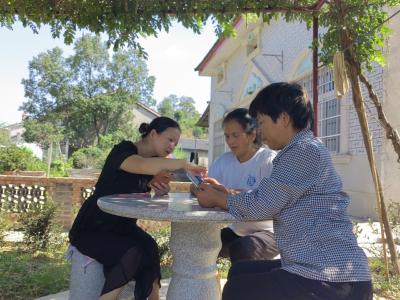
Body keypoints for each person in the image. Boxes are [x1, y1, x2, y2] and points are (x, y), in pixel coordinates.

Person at [196, 82, 372, 300]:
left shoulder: (303, 151)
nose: (259, 131)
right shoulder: (299, 150)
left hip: (330, 277)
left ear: (284, 118)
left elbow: (261, 206)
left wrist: (218, 198)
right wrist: (224, 195)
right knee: (239, 272)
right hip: (316, 267)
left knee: (236, 290)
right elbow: (268, 197)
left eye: (261, 122)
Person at [69, 116, 206, 300]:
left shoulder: (156, 163)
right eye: (170, 139)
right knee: (132, 251)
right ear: (153, 134)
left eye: (176, 142)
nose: (172, 146)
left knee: (149, 246)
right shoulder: (123, 151)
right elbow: (141, 165)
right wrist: (183, 164)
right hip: (94, 227)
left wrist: (159, 189)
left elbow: (144, 188)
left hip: (122, 227)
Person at [193, 108, 278, 263]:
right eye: (227, 136)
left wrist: (225, 194)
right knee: (200, 243)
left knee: (244, 248)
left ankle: (241, 287)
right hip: (238, 230)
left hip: (271, 231)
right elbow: (205, 190)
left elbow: (271, 204)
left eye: (235, 135)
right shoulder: (223, 161)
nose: (230, 141)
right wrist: (198, 186)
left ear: (252, 135)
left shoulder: (269, 161)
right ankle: (207, 285)